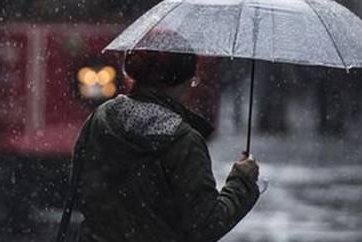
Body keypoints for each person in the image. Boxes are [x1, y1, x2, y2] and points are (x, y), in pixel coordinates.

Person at [59, 48, 260, 242]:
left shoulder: (101, 117)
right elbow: (205, 225)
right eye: (192, 81)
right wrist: (242, 181)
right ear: (182, 82)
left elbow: (79, 188)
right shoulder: (184, 141)